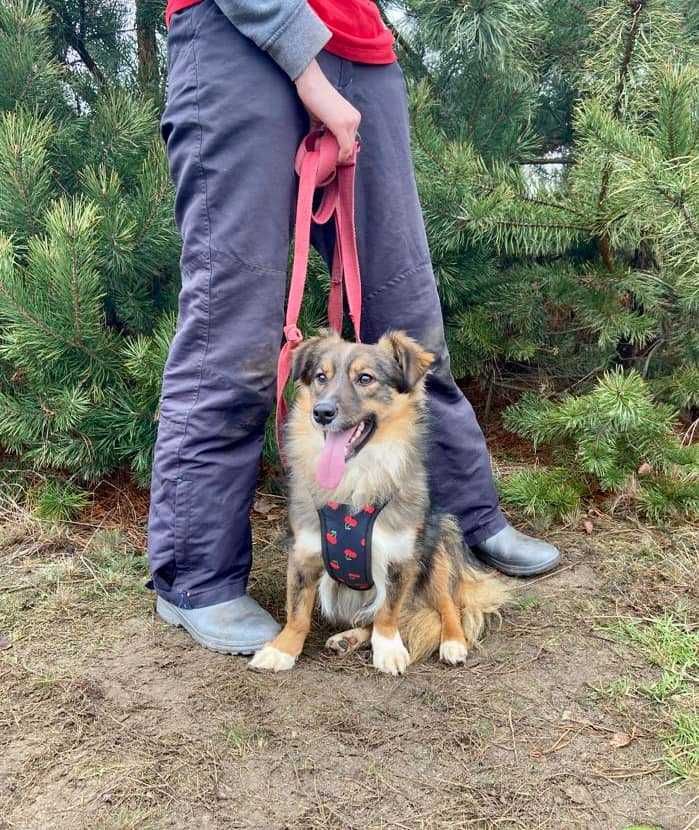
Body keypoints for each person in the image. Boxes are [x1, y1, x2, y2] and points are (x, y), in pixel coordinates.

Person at [148, 0, 561, 655]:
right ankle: (194, 575)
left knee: (407, 315)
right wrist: (308, 74)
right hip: (236, 42)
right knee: (231, 335)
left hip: (361, 49)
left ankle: (462, 523)